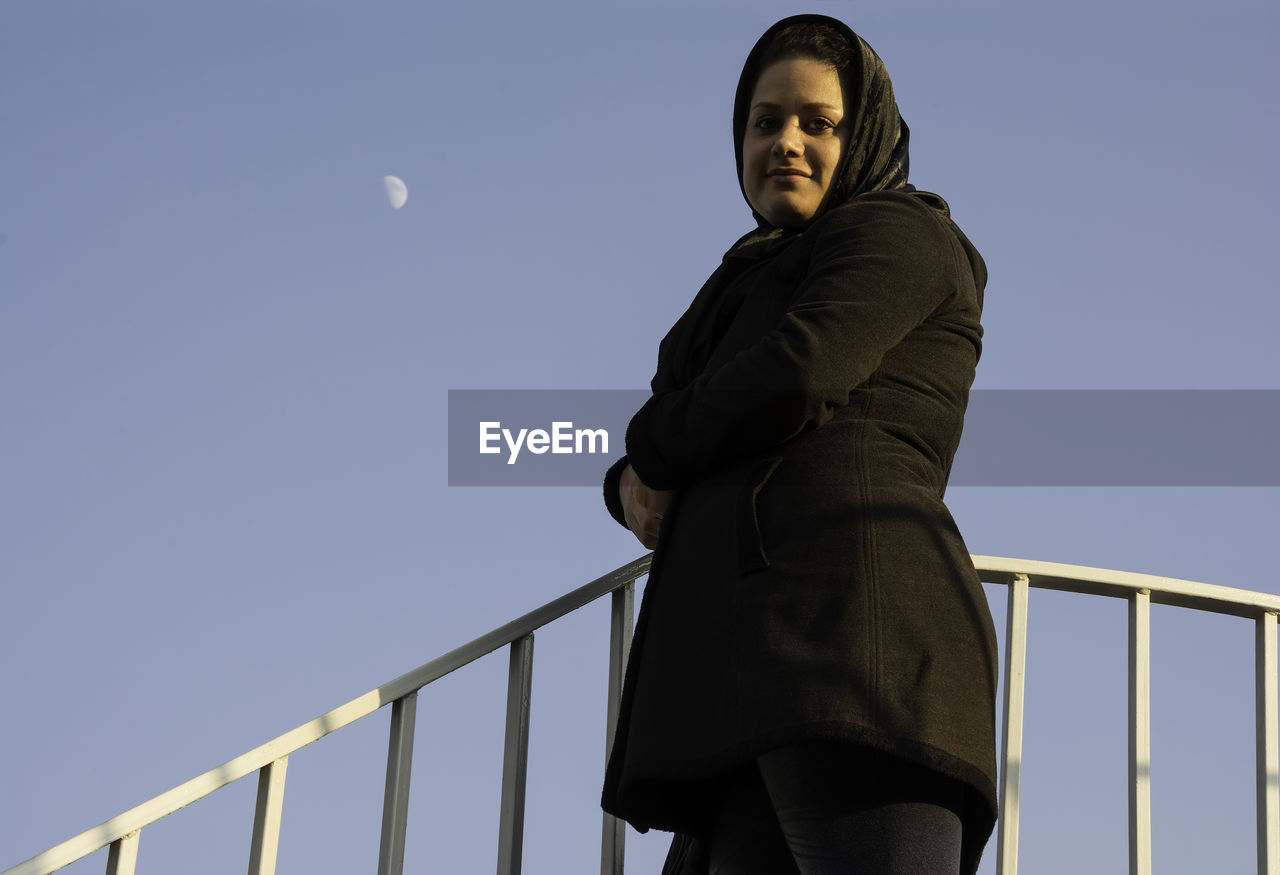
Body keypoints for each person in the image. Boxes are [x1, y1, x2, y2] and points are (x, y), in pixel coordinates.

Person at [600, 14, 998, 875]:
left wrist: (645, 453)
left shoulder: (898, 231)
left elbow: (796, 373)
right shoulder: (745, 281)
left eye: (819, 122)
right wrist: (624, 478)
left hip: (856, 660)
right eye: (764, 120)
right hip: (747, 680)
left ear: (865, 136)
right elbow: (703, 409)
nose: (786, 141)